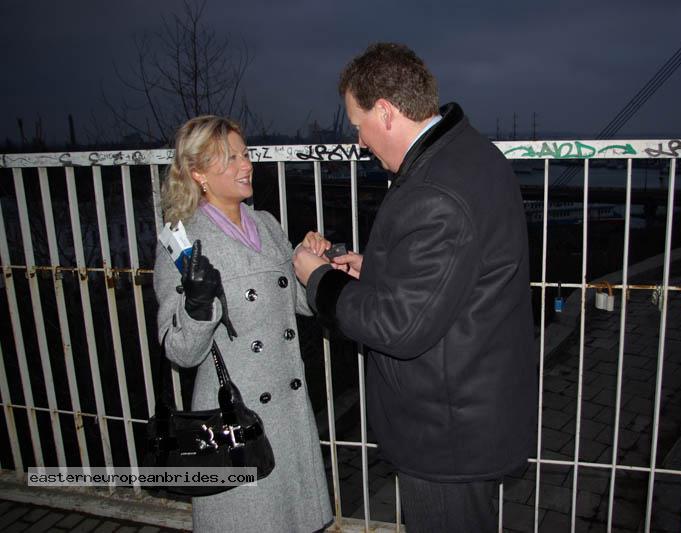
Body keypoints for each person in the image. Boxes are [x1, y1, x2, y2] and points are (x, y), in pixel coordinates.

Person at [293, 43, 537, 532]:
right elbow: (453, 276)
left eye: (358, 123)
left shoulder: (433, 191)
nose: (359, 140)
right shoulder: (468, 154)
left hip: (444, 433)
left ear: (385, 112)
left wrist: (318, 279)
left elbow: (399, 327)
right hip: (468, 409)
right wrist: (379, 270)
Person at [154, 115, 332, 532]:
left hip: (288, 409)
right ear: (198, 173)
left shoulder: (266, 223)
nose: (246, 164)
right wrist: (198, 305)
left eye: (245, 154)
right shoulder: (181, 240)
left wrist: (312, 267)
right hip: (235, 416)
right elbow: (179, 351)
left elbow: (296, 306)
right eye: (230, 158)